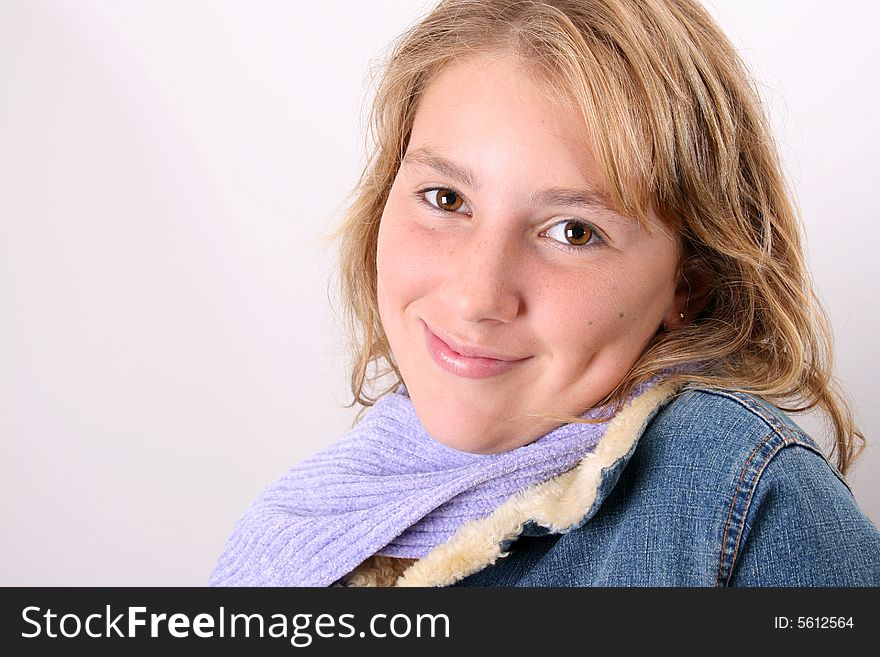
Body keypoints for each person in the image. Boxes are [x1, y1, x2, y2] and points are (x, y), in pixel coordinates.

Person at [209, 0, 880, 587]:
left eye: (573, 231)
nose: (478, 295)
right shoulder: (310, 521)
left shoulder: (742, 495)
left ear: (690, 281)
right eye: (446, 198)